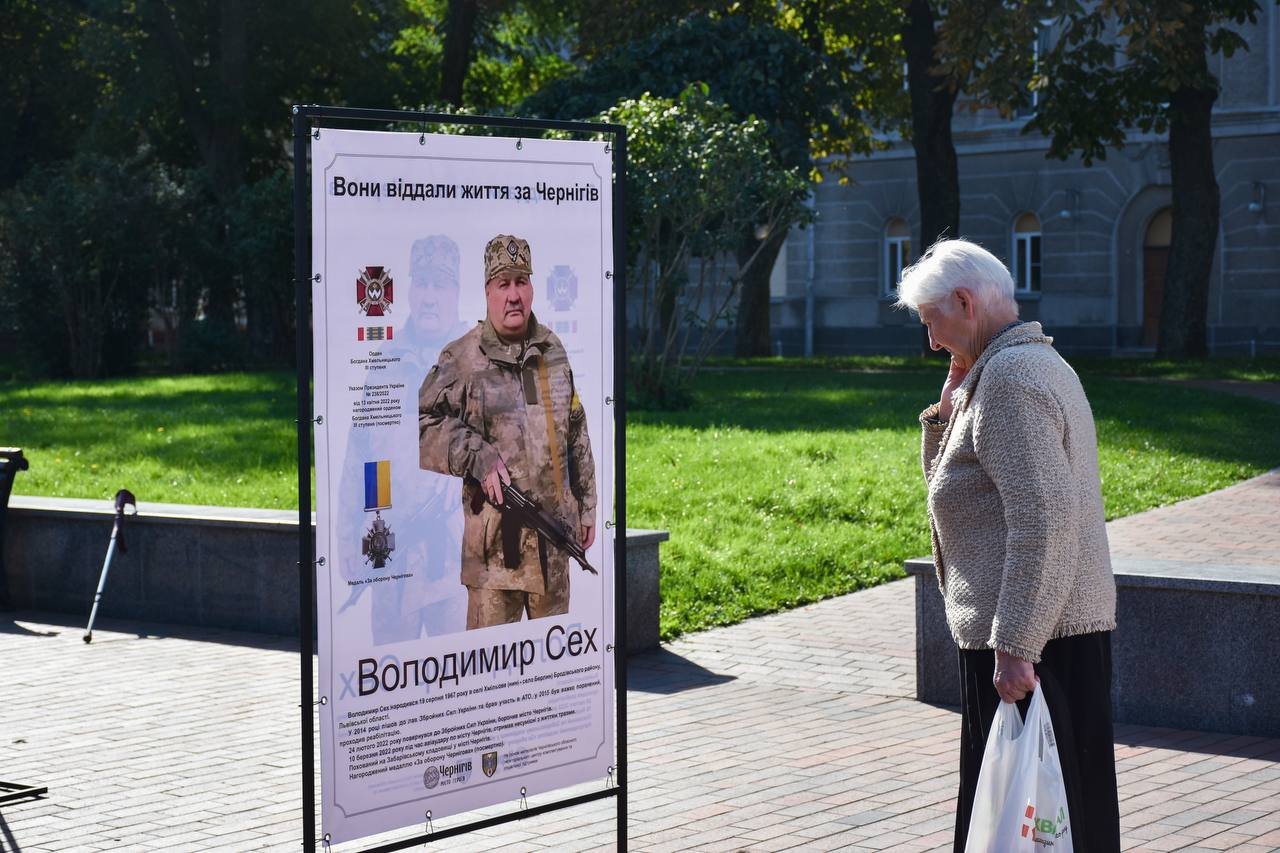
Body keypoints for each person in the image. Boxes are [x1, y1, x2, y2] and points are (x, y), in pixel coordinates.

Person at [896, 238, 1120, 852]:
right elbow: (961, 487)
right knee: (1045, 814)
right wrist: (946, 411)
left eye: (932, 322)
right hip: (1043, 627)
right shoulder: (1011, 368)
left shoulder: (1013, 381)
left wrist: (1017, 644)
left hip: (1037, 637)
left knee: (1036, 816)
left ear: (964, 302)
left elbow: (1043, 520)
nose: (933, 341)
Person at [418, 234, 596, 630]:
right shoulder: (461, 358)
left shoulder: (551, 350)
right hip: (494, 561)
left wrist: (586, 506)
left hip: (553, 547)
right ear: (487, 292)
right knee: (488, 682)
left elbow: (576, 430)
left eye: (522, 281)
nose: (514, 295)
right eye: (504, 284)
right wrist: (475, 454)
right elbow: (420, 425)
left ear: (532, 287)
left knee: (551, 677)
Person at [336, 234, 471, 643]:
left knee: (462, 686)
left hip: (458, 564)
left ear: (456, 293)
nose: (429, 297)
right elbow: (362, 457)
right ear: (410, 290)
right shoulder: (386, 364)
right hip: (393, 556)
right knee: (393, 686)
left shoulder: (480, 364)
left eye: (440, 285)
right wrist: (349, 537)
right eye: (422, 283)